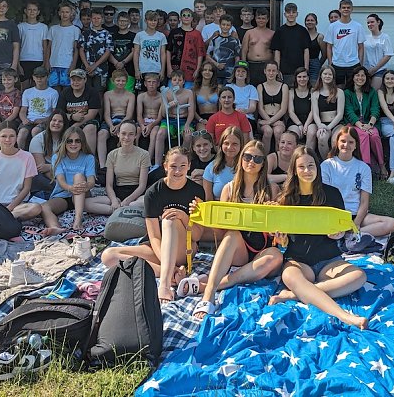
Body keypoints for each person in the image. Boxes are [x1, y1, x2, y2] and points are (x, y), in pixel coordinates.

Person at [269, 146, 368, 330]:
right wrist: (281, 239)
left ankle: (295, 295)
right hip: (298, 262)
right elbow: (283, 241)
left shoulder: (332, 193)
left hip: (329, 260)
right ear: (294, 170)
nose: (307, 171)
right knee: (291, 276)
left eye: (311, 165)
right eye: (301, 167)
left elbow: (343, 230)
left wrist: (338, 233)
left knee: (359, 276)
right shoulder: (286, 199)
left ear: (317, 167)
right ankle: (345, 316)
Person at [99, 147, 206, 303]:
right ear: (165, 166)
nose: (177, 171)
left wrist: (183, 216)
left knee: (170, 219)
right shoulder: (153, 192)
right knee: (108, 256)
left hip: (184, 248)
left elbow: (197, 235)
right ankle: (172, 275)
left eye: (182, 166)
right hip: (158, 247)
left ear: (189, 166)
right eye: (173, 166)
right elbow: (154, 236)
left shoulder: (196, 191)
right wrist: (166, 262)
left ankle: (164, 284)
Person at [191, 141, 283, 320]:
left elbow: (277, 235)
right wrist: (203, 213)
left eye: (257, 158)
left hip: (263, 250)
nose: (252, 162)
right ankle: (208, 296)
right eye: (248, 157)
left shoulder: (272, 189)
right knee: (232, 235)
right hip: (238, 249)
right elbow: (219, 232)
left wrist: (274, 217)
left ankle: (215, 284)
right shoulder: (229, 189)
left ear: (263, 163)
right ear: (241, 159)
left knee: (277, 256)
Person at [321, 127, 394, 242]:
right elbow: (325, 198)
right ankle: (347, 235)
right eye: (343, 141)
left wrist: (356, 223)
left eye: (351, 142)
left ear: (356, 145)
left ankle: (352, 235)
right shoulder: (327, 165)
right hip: (335, 215)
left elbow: (364, 202)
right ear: (337, 143)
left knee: (392, 224)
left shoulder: (363, 168)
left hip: (356, 215)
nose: (346, 145)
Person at [0, 121, 62, 224]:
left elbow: (26, 188)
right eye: (4, 136)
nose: (8, 140)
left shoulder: (27, 157)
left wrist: (9, 208)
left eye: (11, 136)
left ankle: (3, 218)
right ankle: (3, 218)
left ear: (16, 137)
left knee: (35, 208)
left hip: (17, 205)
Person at [49, 126, 112, 232]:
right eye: (70, 141)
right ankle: (54, 227)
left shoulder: (88, 158)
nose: (73, 144)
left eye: (77, 141)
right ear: (64, 142)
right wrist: (71, 188)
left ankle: (78, 219)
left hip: (83, 193)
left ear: (82, 142)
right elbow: (61, 181)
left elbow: (91, 181)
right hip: (63, 195)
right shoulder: (57, 157)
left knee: (78, 176)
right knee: (45, 207)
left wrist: (85, 185)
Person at [343, 66, 386, 177]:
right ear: (353, 77)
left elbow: (375, 109)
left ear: (366, 78)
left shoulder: (371, 92)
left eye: (363, 75)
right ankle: (365, 168)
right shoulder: (347, 93)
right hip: (354, 123)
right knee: (363, 136)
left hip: (369, 122)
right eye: (357, 75)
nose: (360, 78)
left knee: (375, 136)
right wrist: (360, 125)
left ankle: (382, 165)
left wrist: (370, 124)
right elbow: (349, 111)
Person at [105, 120, 150, 212]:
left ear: (135, 136)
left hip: (136, 194)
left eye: (130, 134)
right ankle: (121, 209)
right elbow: (109, 184)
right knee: (87, 203)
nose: (126, 137)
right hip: (118, 192)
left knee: (143, 203)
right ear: (118, 134)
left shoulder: (144, 154)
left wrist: (127, 200)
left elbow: (142, 185)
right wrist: (114, 200)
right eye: (123, 133)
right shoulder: (112, 155)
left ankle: (120, 209)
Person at [57, 68, 101, 161]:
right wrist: (72, 116)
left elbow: (91, 115)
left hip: (88, 121)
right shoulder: (65, 92)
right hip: (70, 120)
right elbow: (59, 113)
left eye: (79, 80)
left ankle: (90, 160)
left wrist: (74, 127)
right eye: (73, 80)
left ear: (85, 80)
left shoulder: (92, 92)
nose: (75, 82)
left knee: (89, 128)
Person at [325, 0, 365, 88]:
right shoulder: (332, 26)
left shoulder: (358, 26)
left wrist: (360, 64)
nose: (346, 9)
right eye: (343, 7)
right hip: (337, 64)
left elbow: (361, 47)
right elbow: (329, 47)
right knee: (338, 89)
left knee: (354, 89)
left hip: (353, 64)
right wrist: (330, 63)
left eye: (348, 7)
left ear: (352, 9)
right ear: (340, 9)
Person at [155, 70, 196, 158]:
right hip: (169, 120)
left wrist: (187, 125)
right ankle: (157, 163)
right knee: (160, 134)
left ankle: (183, 158)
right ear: (171, 81)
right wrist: (168, 106)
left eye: (180, 80)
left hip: (184, 120)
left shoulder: (189, 93)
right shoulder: (166, 93)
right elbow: (163, 114)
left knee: (188, 136)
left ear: (184, 81)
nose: (177, 82)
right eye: (174, 80)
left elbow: (191, 112)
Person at [100, 68, 136, 167]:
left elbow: (129, 115)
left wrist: (120, 126)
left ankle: (129, 161)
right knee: (101, 134)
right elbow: (107, 113)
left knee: (126, 133)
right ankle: (103, 165)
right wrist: (111, 126)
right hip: (111, 119)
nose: (120, 83)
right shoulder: (107, 94)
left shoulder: (131, 95)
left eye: (123, 81)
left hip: (125, 120)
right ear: (113, 81)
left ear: (126, 81)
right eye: (118, 80)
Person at [17, 66, 60, 149]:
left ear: (47, 77)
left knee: (35, 131)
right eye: (37, 77)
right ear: (33, 77)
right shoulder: (27, 92)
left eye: (42, 77)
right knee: (22, 132)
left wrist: (43, 120)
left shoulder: (53, 93)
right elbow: (23, 111)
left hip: (45, 120)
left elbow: (55, 113)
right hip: (29, 120)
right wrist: (24, 119)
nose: (39, 79)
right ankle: (19, 155)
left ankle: (37, 154)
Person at [271, 2, 310, 87]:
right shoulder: (279, 31)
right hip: (284, 71)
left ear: (297, 14)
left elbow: (306, 50)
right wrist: (277, 69)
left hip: (300, 70)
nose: (291, 14)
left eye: (293, 12)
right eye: (288, 12)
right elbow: (277, 52)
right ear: (285, 14)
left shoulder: (303, 31)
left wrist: (306, 69)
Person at [28, 109, 67, 195]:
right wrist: (59, 183)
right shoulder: (38, 139)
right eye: (54, 120)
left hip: (66, 170)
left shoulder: (69, 139)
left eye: (60, 121)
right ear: (49, 122)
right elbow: (42, 168)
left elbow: (72, 163)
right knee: (36, 177)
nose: (56, 123)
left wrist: (51, 166)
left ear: (64, 125)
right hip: (48, 175)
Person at [44, 1, 80, 91]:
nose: (65, 14)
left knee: (67, 90)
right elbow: (49, 48)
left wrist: (73, 65)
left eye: (67, 12)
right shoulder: (53, 29)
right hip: (53, 64)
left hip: (67, 64)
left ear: (71, 13)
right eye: (62, 12)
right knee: (54, 90)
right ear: (59, 13)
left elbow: (76, 50)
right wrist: (47, 62)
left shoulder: (75, 30)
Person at [202, 126, 245, 200]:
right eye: (226, 143)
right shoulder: (211, 168)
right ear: (221, 145)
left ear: (241, 145)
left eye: (234, 144)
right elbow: (208, 200)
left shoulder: (247, 167)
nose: (229, 147)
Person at [311, 65, 345, 158]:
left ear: (333, 76)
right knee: (321, 138)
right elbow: (315, 114)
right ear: (321, 76)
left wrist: (329, 127)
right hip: (322, 124)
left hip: (336, 124)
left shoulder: (339, 92)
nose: (327, 76)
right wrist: (320, 126)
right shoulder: (315, 93)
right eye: (325, 74)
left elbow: (340, 114)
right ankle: (327, 161)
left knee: (336, 140)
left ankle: (337, 162)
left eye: (330, 74)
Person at [167, 8, 205, 87]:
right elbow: (168, 50)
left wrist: (197, 70)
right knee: (172, 94)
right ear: (180, 18)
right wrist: (169, 68)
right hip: (175, 69)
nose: (186, 17)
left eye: (188, 15)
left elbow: (200, 53)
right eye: (184, 15)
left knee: (188, 93)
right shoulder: (174, 32)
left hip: (190, 70)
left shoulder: (197, 34)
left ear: (192, 18)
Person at [256, 61, 289, 153]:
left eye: (273, 71)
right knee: (268, 131)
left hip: (279, 119)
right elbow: (260, 108)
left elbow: (283, 109)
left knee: (278, 131)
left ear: (277, 72)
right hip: (263, 118)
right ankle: (264, 158)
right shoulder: (260, 87)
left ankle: (279, 157)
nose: (271, 73)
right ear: (264, 71)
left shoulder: (284, 86)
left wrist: (270, 122)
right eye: (269, 70)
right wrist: (269, 122)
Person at [79, 8, 112, 92]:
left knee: (99, 93)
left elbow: (108, 52)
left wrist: (95, 65)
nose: (96, 20)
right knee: (86, 92)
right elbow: (81, 50)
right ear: (91, 19)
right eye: (94, 18)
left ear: (102, 20)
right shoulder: (85, 33)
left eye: (98, 18)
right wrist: (87, 66)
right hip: (86, 69)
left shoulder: (107, 34)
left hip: (101, 70)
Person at [133, 10, 167, 90]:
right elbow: (136, 53)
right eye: (150, 20)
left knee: (158, 93)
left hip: (156, 69)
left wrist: (162, 70)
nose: (153, 22)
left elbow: (163, 54)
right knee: (141, 92)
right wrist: (136, 70)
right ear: (146, 21)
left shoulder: (161, 36)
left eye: (155, 20)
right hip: (143, 69)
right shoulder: (139, 35)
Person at [18, 1, 47, 90]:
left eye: (34, 10)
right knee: (25, 88)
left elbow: (45, 46)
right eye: (29, 9)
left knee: (37, 88)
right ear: (25, 11)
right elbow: (17, 46)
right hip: (24, 60)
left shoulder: (43, 27)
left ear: (38, 12)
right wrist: (18, 64)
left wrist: (45, 62)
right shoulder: (20, 26)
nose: (32, 12)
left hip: (38, 60)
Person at [241, 8, 274, 85]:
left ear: (267, 19)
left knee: (266, 88)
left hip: (266, 65)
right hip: (251, 65)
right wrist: (244, 66)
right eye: (259, 18)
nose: (261, 20)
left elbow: (275, 52)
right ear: (255, 19)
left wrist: (275, 67)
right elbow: (244, 50)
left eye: (263, 18)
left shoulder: (272, 33)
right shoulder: (249, 33)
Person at [205, 14, 240, 86]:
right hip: (215, 73)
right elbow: (207, 56)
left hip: (229, 74)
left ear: (231, 26)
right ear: (220, 25)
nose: (225, 27)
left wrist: (234, 72)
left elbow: (237, 57)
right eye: (223, 24)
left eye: (228, 25)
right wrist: (217, 64)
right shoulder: (214, 40)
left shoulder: (235, 41)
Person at [287, 67, 316, 151]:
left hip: (310, 120)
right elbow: (291, 112)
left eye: (304, 77)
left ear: (308, 78)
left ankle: (309, 155)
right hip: (295, 120)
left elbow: (313, 110)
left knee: (312, 132)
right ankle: (295, 159)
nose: (302, 79)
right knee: (293, 135)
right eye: (299, 77)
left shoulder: (313, 91)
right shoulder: (291, 92)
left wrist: (306, 124)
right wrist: (299, 124)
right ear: (296, 78)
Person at [137, 72, 164, 164]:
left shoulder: (162, 97)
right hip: (143, 120)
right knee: (136, 130)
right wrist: (142, 125)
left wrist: (151, 125)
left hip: (155, 122)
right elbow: (139, 114)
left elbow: (160, 117)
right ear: (145, 84)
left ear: (158, 84)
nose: (151, 84)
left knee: (154, 133)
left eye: (154, 82)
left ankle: (148, 159)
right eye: (149, 82)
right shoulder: (141, 96)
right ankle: (135, 155)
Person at [363, 13, 394, 91]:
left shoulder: (385, 37)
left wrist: (374, 69)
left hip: (380, 70)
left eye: (372, 22)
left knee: (373, 92)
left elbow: (388, 55)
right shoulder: (366, 38)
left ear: (378, 22)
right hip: (366, 71)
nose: (370, 24)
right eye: (368, 23)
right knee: (365, 92)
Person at [108, 11, 137, 92]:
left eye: (125, 21)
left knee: (128, 94)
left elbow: (134, 51)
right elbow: (108, 52)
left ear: (128, 22)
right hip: (113, 70)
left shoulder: (134, 36)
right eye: (121, 21)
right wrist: (116, 63)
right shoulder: (111, 36)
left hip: (129, 70)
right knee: (113, 94)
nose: (122, 23)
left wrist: (123, 62)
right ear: (117, 21)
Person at [230, 62, 259, 131]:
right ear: (234, 73)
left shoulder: (252, 88)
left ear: (246, 75)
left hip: (247, 117)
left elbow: (253, 107)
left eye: (243, 71)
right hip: (231, 116)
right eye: (238, 71)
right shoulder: (228, 87)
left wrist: (245, 111)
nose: (240, 73)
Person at [304, 12, 325, 84]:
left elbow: (324, 54)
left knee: (314, 84)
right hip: (302, 63)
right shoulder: (301, 35)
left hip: (314, 64)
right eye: (308, 20)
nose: (310, 22)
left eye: (312, 20)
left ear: (316, 22)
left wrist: (318, 64)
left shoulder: (320, 37)